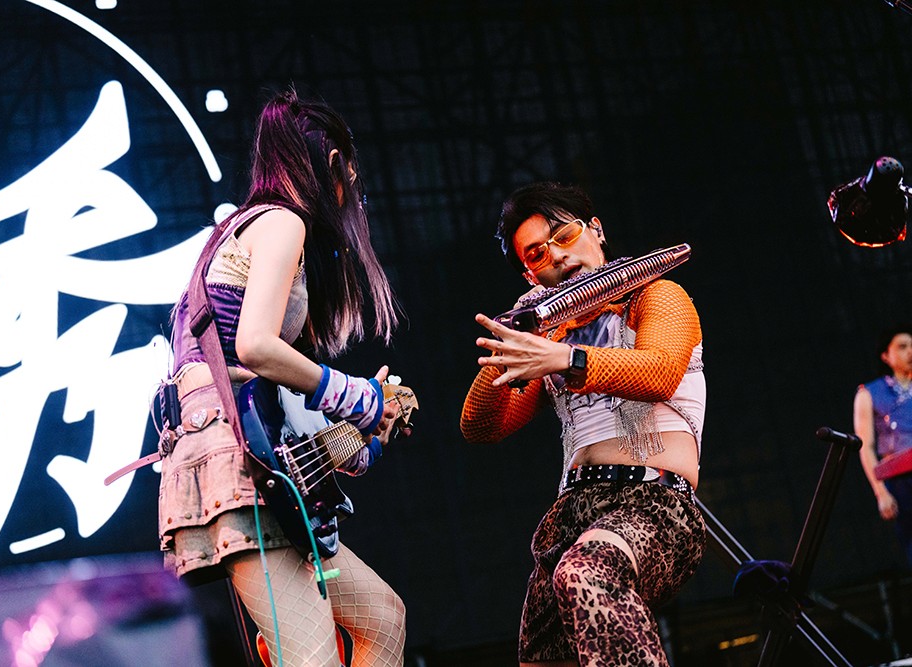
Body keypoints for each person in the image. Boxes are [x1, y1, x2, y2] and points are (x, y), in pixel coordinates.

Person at [160, 90, 406, 666]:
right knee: (311, 658)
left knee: (383, 620)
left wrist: (361, 429)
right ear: (333, 162)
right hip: (236, 466)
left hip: (249, 455)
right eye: (349, 172)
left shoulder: (248, 228)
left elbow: (271, 395)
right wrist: (359, 395)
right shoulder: (281, 221)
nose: (351, 188)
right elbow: (255, 346)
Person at [460, 182, 706, 666]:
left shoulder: (658, 296)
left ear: (596, 230)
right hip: (570, 513)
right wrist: (523, 330)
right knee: (541, 658)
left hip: (653, 502)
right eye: (537, 253)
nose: (557, 255)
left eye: (565, 235)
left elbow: (658, 372)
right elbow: (481, 425)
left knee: (586, 574)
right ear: (530, 273)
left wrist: (564, 358)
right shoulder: (550, 338)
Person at [853, 324, 912, 568]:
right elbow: (865, 446)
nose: (910, 352)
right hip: (901, 480)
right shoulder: (870, 393)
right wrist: (881, 493)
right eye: (902, 347)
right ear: (886, 355)